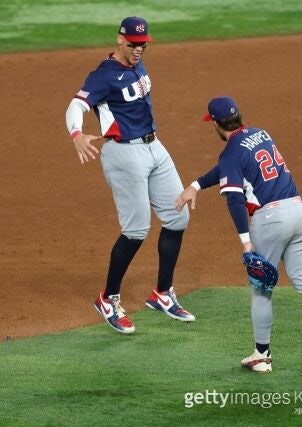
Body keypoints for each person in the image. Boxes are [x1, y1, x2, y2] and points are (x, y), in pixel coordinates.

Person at [175, 96, 302, 376]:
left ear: (216, 124)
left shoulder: (230, 153)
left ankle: (262, 355)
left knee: (261, 288)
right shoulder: (261, 134)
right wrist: (196, 185)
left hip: (270, 221)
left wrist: (246, 242)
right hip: (299, 213)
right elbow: (228, 168)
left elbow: (234, 199)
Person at [64, 16, 195, 334]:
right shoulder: (103, 75)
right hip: (124, 154)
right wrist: (77, 134)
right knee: (136, 230)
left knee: (178, 217)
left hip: (154, 147)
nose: (139, 49)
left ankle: (162, 294)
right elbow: (75, 106)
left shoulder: (137, 64)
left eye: (143, 45)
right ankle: (107, 298)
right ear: (120, 39)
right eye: (134, 44)